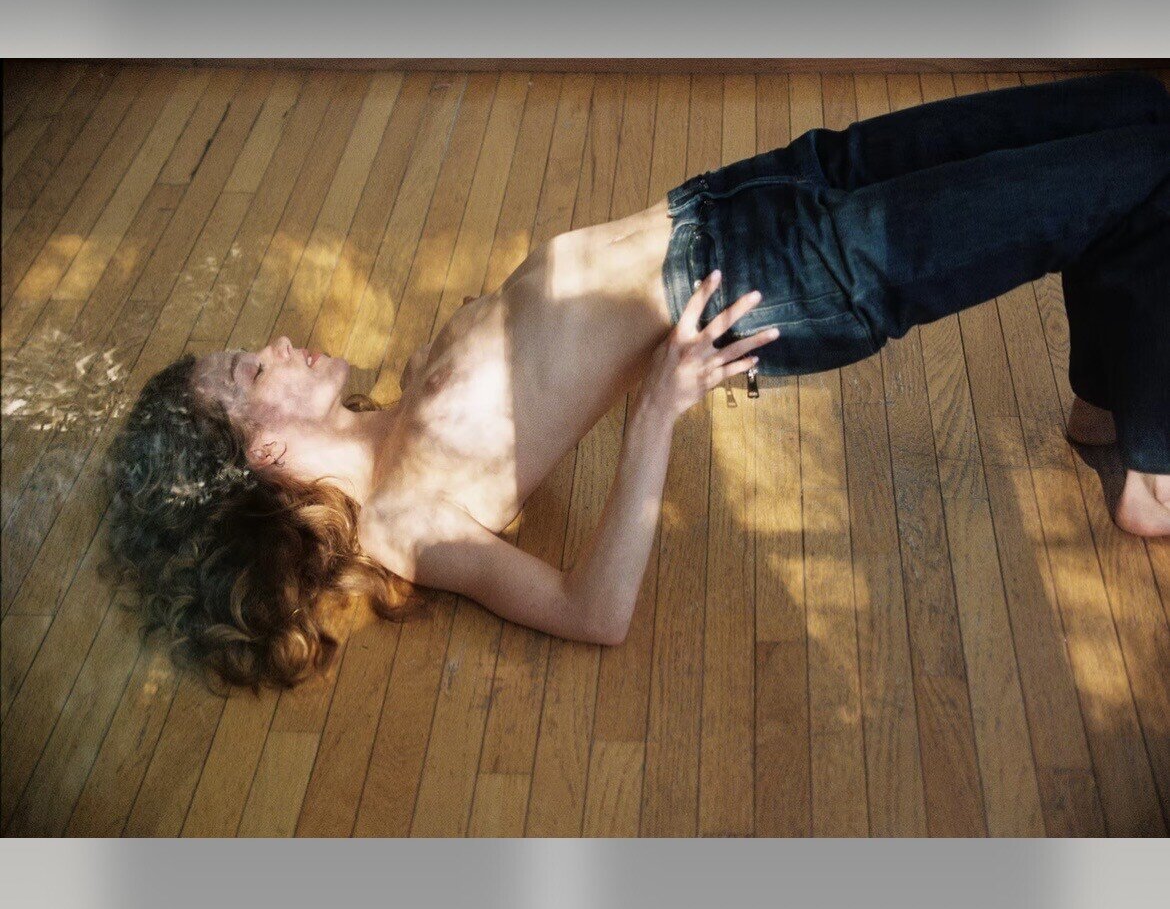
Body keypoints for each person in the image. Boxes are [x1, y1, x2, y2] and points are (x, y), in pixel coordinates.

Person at [104, 71, 1170, 690]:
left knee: (1135, 108)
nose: (278, 343)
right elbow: (595, 609)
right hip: (782, 275)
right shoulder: (406, 522)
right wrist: (659, 411)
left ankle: (1108, 406)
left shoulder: (387, 419)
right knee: (1151, 171)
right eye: (252, 368)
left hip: (737, 201)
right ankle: (1153, 473)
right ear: (266, 450)